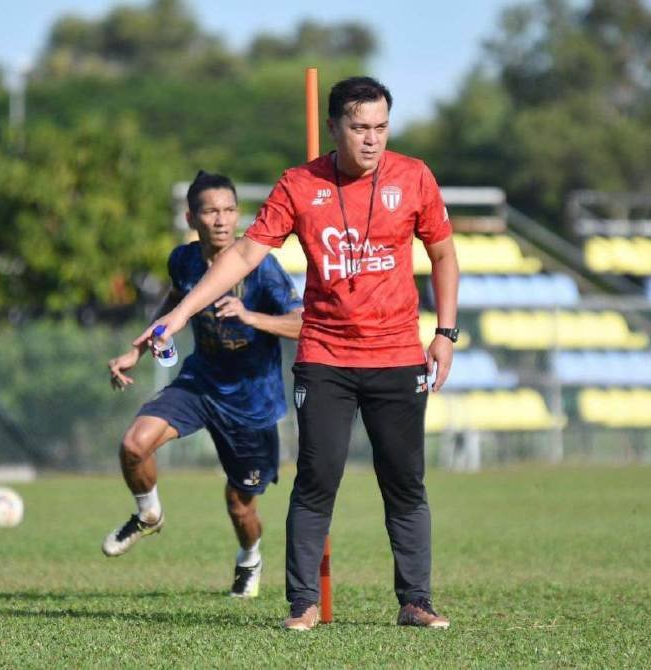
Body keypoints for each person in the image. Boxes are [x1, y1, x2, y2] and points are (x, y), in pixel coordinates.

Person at [137, 77, 459, 630]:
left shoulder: (414, 177)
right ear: (333, 127)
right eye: (359, 128)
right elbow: (242, 255)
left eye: (381, 127)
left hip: (397, 356)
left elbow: (444, 255)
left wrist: (445, 334)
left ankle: (416, 601)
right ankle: (303, 603)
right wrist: (182, 311)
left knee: (405, 483)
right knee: (317, 479)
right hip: (326, 357)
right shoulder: (298, 184)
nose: (372, 139)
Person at [104, 170, 304, 599]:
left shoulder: (263, 269)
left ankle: (249, 558)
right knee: (134, 446)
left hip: (253, 403)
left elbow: (303, 322)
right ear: (192, 216)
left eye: (230, 210)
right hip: (200, 382)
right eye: (211, 211)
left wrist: (252, 317)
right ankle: (149, 513)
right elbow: (177, 299)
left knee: (240, 503)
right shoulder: (184, 259)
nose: (222, 220)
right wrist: (136, 350)